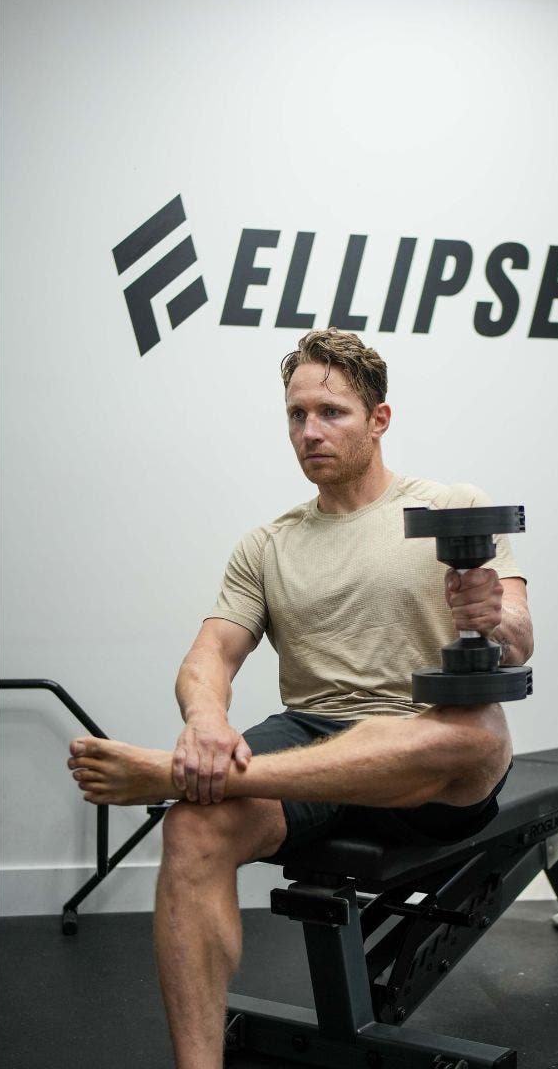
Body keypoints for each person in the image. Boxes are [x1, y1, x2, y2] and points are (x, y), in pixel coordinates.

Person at [64, 327, 532, 1069]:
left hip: (424, 746)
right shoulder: (268, 544)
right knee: (193, 828)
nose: (309, 431)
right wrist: (208, 719)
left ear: (379, 419)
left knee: (476, 737)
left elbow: (517, 640)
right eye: (295, 414)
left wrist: (490, 616)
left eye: (331, 412)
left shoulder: (452, 505)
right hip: (312, 737)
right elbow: (210, 653)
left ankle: (184, 772)